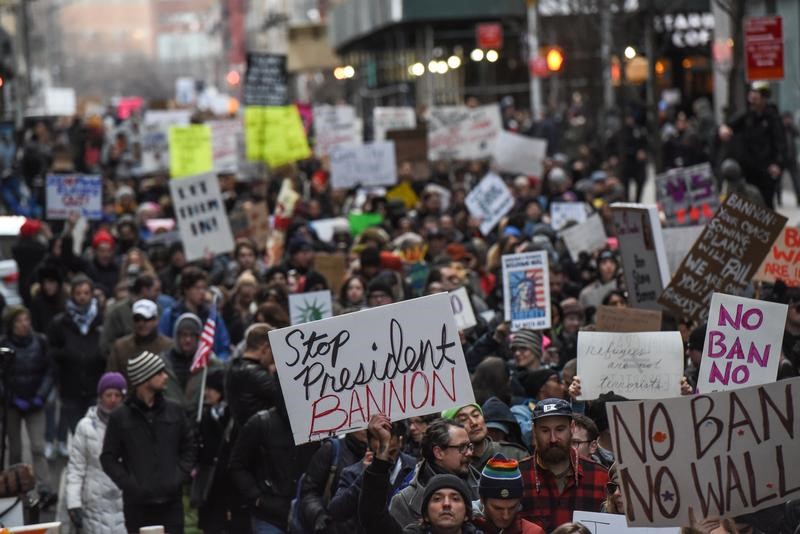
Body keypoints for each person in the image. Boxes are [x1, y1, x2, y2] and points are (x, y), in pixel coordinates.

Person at [100, 351, 197, 534]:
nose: (165, 376)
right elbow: (108, 458)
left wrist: (177, 477)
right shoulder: (120, 417)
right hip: (138, 507)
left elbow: (189, 447)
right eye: (159, 373)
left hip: (171, 504)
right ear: (144, 379)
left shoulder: (175, 410)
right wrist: (130, 484)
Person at [360, 414, 480, 534]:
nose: (447, 504)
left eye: (456, 498)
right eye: (437, 498)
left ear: (467, 513)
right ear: (425, 515)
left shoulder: (482, 486)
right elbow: (373, 518)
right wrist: (382, 451)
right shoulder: (405, 502)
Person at [228, 381, 320, 534]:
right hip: (269, 515)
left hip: (306, 514)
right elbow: (237, 465)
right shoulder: (261, 423)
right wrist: (257, 497)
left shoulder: (319, 424)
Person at [519, 399, 608, 532]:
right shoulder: (518, 475)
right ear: (534, 431)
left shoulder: (600, 476)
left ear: (571, 428)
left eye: (560, 429)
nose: (553, 439)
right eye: (545, 431)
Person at [0, 305, 56, 506]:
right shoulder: (4, 345)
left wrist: (40, 395)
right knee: (15, 449)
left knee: (38, 447)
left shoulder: (40, 342)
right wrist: (11, 397)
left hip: (35, 402)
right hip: (13, 404)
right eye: (19, 321)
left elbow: (49, 370)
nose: (24, 325)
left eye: (27, 320)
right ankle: (16, 488)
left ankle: (45, 487)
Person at [64, 372, 127, 533]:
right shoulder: (85, 427)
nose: (113, 399)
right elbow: (76, 468)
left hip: (125, 504)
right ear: (100, 396)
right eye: (108, 394)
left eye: (117, 395)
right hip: (94, 506)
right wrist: (73, 503)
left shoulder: (131, 425)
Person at [47, 275, 106, 443]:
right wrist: (66, 354)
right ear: (72, 294)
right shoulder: (60, 323)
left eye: (86, 292)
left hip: (95, 388)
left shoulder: (100, 320)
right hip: (70, 388)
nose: (82, 296)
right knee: (79, 434)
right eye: (78, 292)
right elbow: (51, 352)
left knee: (96, 437)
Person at [389, 419, 481, 528]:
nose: (470, 453)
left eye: (469, 446)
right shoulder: (404, 501)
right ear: (438, 452)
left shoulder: (482, 487)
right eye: (462, 448)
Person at [328, 419, 416, 531]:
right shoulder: (353, 472)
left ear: (400, 441)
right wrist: (365, 477)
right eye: (380, 451)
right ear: (369, 442)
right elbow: (336, 511)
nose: (387, 459)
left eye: (391, 452)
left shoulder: (415, 468)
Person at [719, 82, 786, 209]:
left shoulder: (773, 118)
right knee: (750, 204)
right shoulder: (747, 116)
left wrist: (778, 163)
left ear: (763, 98)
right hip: (749, 168)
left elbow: (780, 142)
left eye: (756, 97)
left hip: (766, 168)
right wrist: (724, 128)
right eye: (752, 97)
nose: (753, 101)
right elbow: (730, 125)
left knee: (766, 204)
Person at [159, 266, 231, 360]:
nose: (202, 292)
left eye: (204, 288)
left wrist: (218, 364)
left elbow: (223, 346)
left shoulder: (212, 315)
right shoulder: (170, 315)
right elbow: (164, 344)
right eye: (197, 288)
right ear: (186, 289)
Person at [225, 323, 282, 428]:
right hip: (262, 436)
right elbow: (283, 398)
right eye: (272, 351)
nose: (273, 358)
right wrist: (275, 373)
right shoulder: (254, 373)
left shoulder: (236, 367)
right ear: (265, 348)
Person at [473, 454, 545, 534]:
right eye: (498, 508)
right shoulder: (463, 528)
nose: (506, 516)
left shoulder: (533, 532)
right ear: (482, 499)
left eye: (512, 507)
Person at [441, 403, 528, 469]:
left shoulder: (515, 454)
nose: (474, 423)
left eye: (476, 415)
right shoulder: (451, 464)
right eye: (463, 420)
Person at [106, 298, 172, 381]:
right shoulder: (120, 347)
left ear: (156, 320)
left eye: (146, 319)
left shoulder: (168, 347)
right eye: (137, 319)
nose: (141, 323)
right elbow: (111, 379)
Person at [100, 273, 160, 357]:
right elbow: (106, 345)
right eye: (156, 290)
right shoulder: (117, 312)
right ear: (144, 290)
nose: (159, 294)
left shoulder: (158, 309)